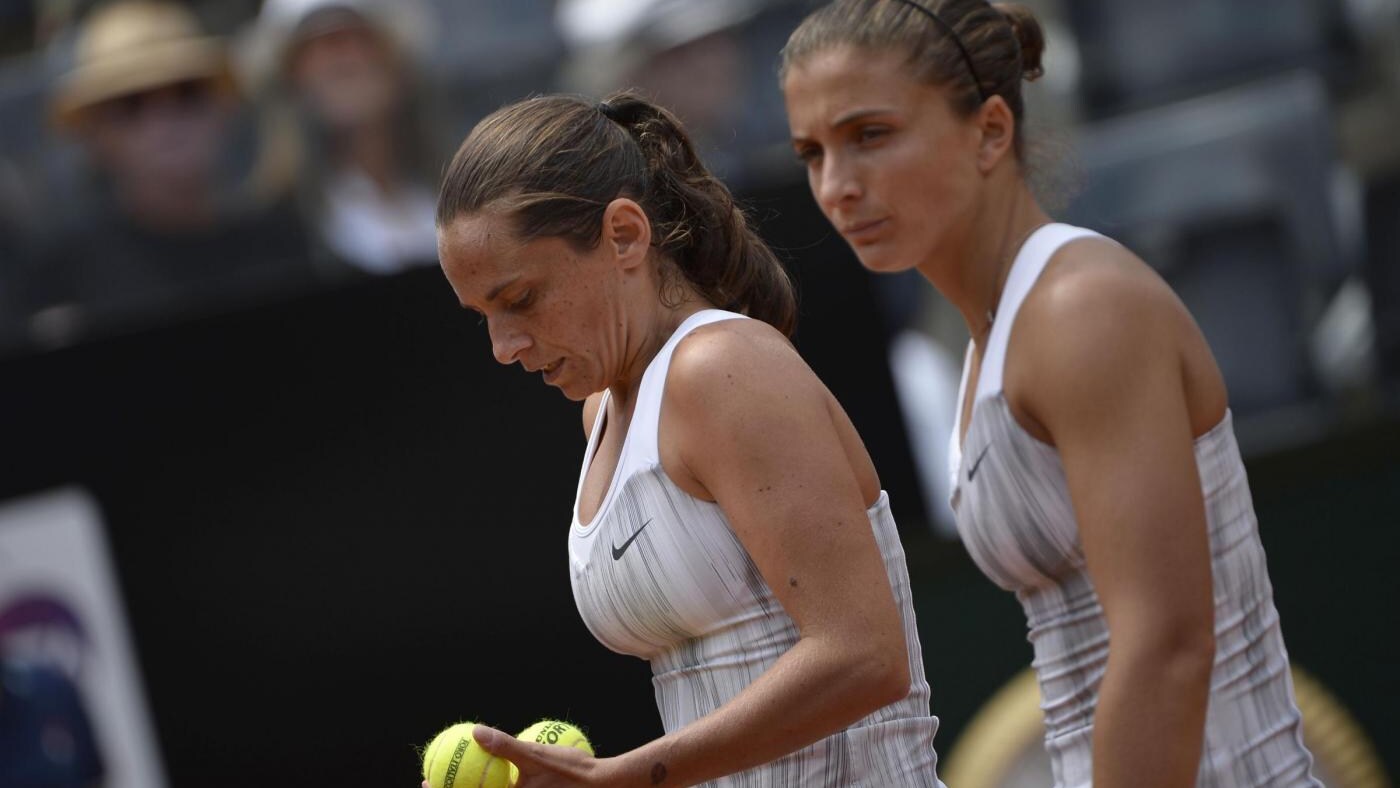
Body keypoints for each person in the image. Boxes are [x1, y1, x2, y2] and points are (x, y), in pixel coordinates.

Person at [780, 2, 1320, 787]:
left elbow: (1167, 647)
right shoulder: (988, 344)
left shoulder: (1081, 311)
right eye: (811, 152)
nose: (837, 187)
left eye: (871, 136)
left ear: (991, 132)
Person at [431, 90, 945, 787]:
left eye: (519, 299)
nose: (503, 346)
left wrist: (624, 777)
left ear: (623, 235)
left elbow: (864, 655)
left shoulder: (724, 370)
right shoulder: (603, 414)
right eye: (482, 316)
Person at [32, 0, 314, 343]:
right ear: (95, 136)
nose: (165, 121)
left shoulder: (286, 243)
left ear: (223, 109)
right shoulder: (60, 280)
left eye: (187, 92)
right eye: (130, 103)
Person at [242, 0, 442, 278]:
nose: (340, 59)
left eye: (355, 37)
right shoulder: (272, 234)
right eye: (313, 46)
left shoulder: (453, 190)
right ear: (291, 81)